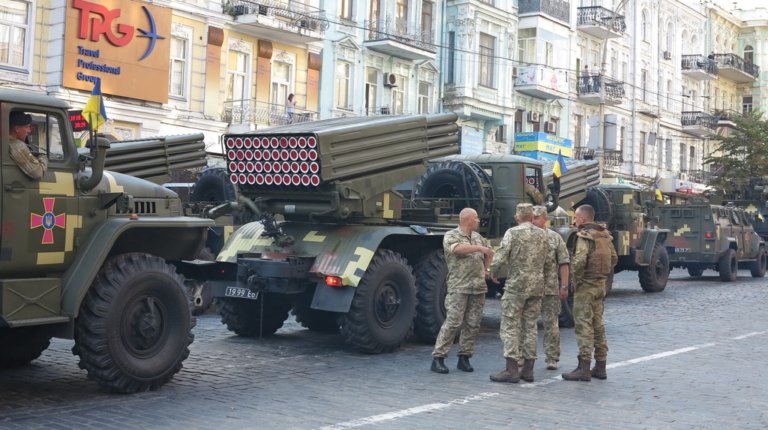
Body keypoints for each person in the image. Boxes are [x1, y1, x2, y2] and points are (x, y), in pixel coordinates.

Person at [431, 208, 496, 374]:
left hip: (478, 287)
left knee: (473, 324)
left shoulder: (479, 237)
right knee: (453, 322)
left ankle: (464, 357)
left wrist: (487, 268)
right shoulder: (452, 235)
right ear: (467, 219)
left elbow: (489, 252)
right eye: (476, 218)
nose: (479, 220)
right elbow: (456, 249)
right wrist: (479, 248)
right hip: (459, 286)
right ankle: (438, 357)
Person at [489, 203, 548, 384]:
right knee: (530, 326)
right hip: (536, 285)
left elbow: (501, 256)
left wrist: (493, 272)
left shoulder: (512, 233)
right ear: (532, 217)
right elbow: (547, 259)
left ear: (516, 217)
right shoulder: (542, 234)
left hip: (516, 286)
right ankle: (528, 370)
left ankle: (512, 369)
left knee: (510, 325)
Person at [562, 204, 618, 382]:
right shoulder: (605, 235)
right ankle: (600, 366)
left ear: (582, 219)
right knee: (598, 324)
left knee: (583, 325)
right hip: (600, 285)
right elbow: (614, 258)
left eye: (576, 217)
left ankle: (583, 368)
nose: (575, 220)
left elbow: (579, 261)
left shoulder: (584, 236)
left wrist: (576, 279)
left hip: (586, 286)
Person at [531, 206, 570, 370]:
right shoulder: (525, 237)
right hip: (529, 289)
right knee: (527, 325)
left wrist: (564, 285)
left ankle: (552, 357)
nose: (533, 221)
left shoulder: (555, 238)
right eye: (531, 218)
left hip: (549, 288)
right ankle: (525, 356)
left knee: (551, 324)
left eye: (536, 218)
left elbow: (564, 263)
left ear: (545, 219)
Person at [9, 111, 47, 180]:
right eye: (27, 127)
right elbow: (38, 173)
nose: (29, 130)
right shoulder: (18, 146)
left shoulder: (10, 142)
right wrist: (43, 157)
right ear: (17, 129)